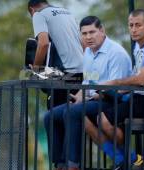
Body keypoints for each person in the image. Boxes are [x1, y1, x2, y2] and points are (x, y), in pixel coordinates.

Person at [86, 9, 144, 169]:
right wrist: (109, 92)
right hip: (140, 97)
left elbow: (141, 80)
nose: (133, 29)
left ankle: (129, 159)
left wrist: (114, 83)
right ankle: (130, 159)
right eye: (131, 25)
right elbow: (135, 83)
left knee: (103, 119)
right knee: (91, 116)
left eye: (138, 25)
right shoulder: (138, 47)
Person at [44, 16, 132, 170]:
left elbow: (116, 89)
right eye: (84, 34)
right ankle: (60, 164)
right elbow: (87, 83)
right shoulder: (88, 53)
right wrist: (78, 97)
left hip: (114, 101)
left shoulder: (116, 53)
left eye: (92, 32)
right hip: (94, 99)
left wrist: (88, 97)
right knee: (50, 116)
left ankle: (73, 165)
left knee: (72, 112)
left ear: (102, 30)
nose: (88, 37)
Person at [28, 0, 83, 108]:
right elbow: (82, 41)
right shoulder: (67, 13)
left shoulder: (38, 14)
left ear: (31, 10)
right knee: (75, 116)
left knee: (55, 118)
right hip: (82, 72)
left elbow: (43, 44)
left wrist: (36, 68)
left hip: (62, 74)